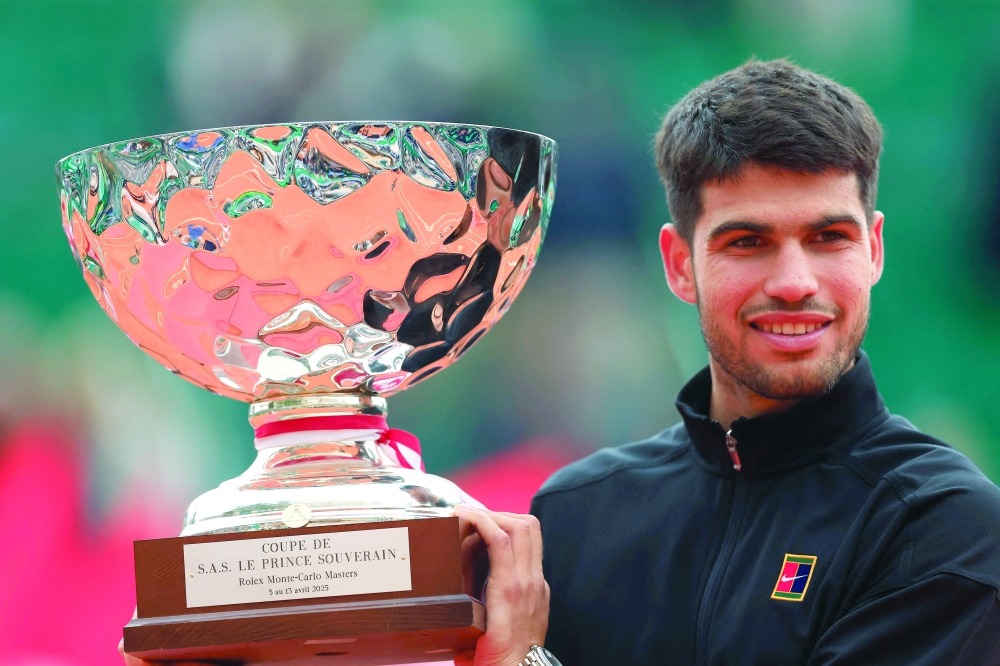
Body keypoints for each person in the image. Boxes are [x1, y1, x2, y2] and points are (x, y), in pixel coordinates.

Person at [123, 58, 1000, 666]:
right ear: (678, 264)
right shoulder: (576, 517)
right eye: (748, 242)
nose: (795, 281)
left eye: (828, 237)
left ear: (876, 249)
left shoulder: (942, 528)